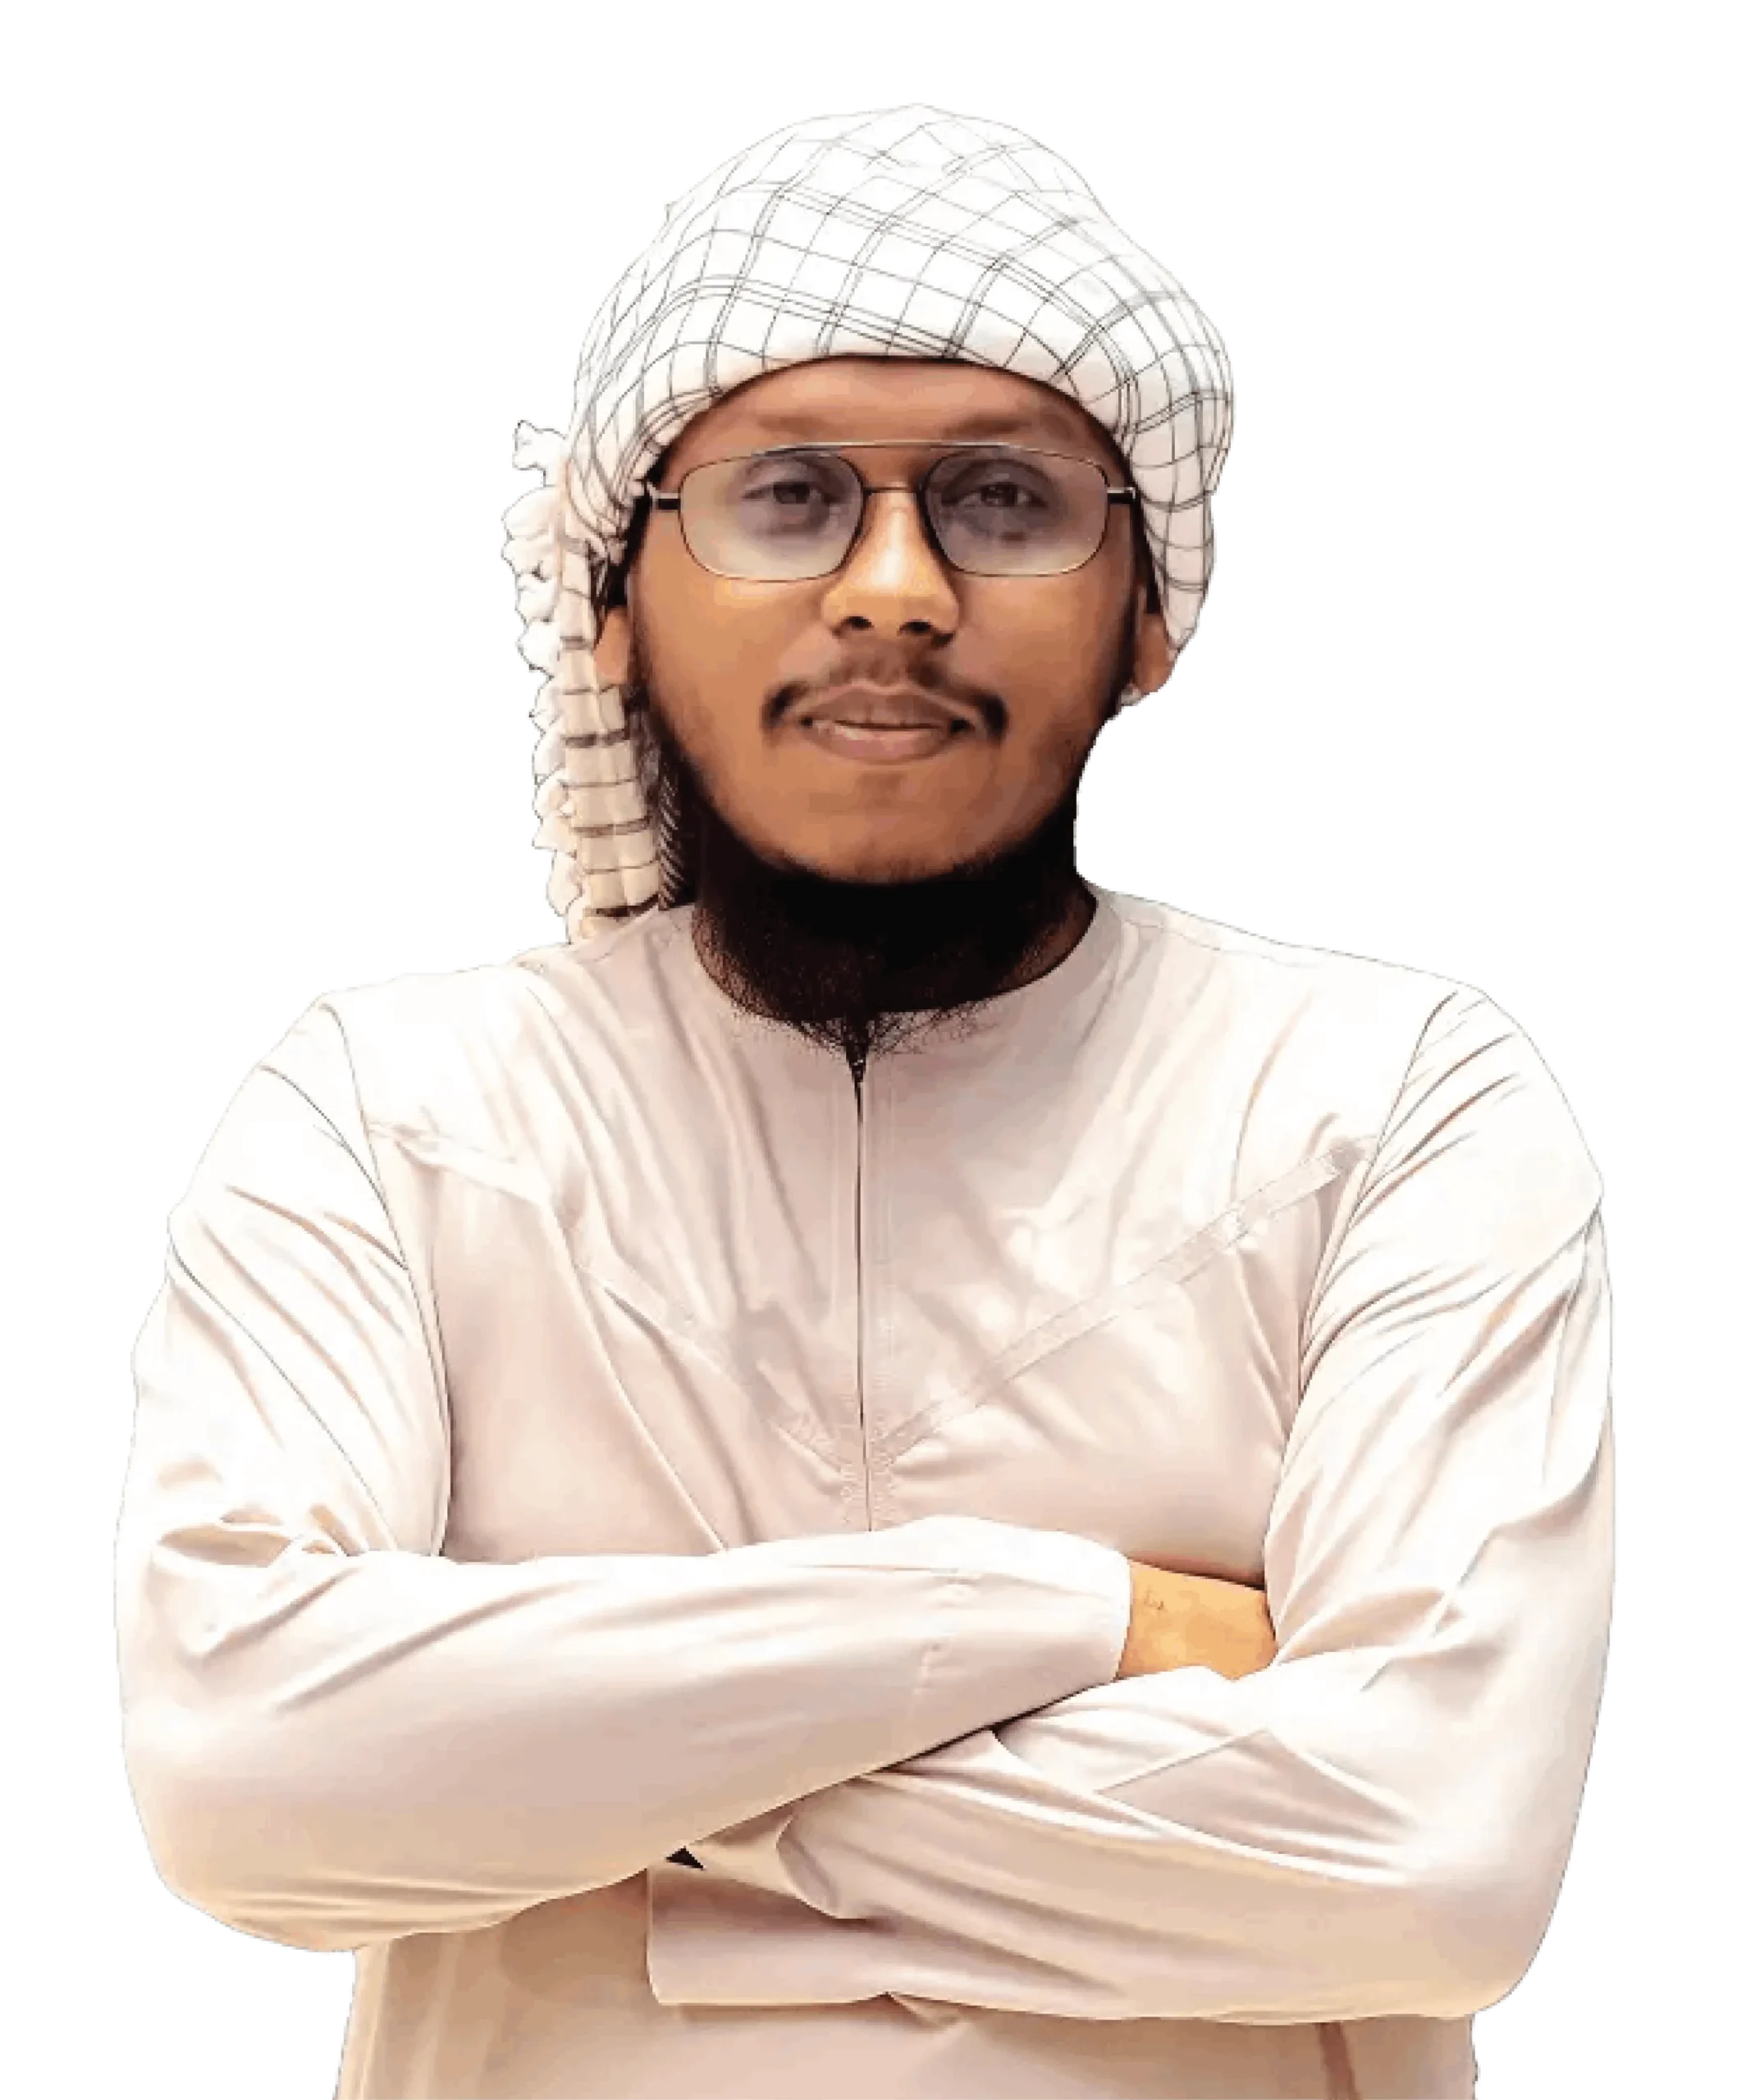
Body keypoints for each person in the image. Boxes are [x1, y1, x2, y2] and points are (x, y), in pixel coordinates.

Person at [115, 108, 1613, 2100]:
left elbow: (1428, 1863)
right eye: (788, 494)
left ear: (1149, 608)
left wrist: (582, 1784)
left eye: (1001, 499)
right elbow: (245, 1777)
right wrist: (1084, 1613)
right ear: (612, 594)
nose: (894, 587)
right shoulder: (386, 1107)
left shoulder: (1393, 1091)